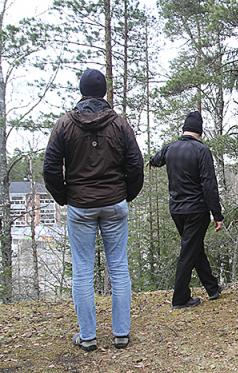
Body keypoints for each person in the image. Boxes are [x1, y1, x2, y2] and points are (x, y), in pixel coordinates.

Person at [43, 68, 144, 351]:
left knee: (83, 271)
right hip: (114, 204)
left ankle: (87, 337)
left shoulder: (65, 124)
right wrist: (125, 195)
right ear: (104, 93)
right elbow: (135, 164)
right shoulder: (120, 124)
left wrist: (66, 197)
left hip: (81, 206)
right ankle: (121, 334)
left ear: (81, 91)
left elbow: (50, 167)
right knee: (119, 268)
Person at [149, 111, 224, 309]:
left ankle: (212, 288)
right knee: (188, 252)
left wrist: (150, 161)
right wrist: (217, 215)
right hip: (196, 210)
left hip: (177, 210)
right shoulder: (202, 151)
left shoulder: (170, 148)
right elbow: (209, 185)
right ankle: (180, 298)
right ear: (200, 131)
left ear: (184, 128)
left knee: (194, 248)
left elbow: (155, 160)